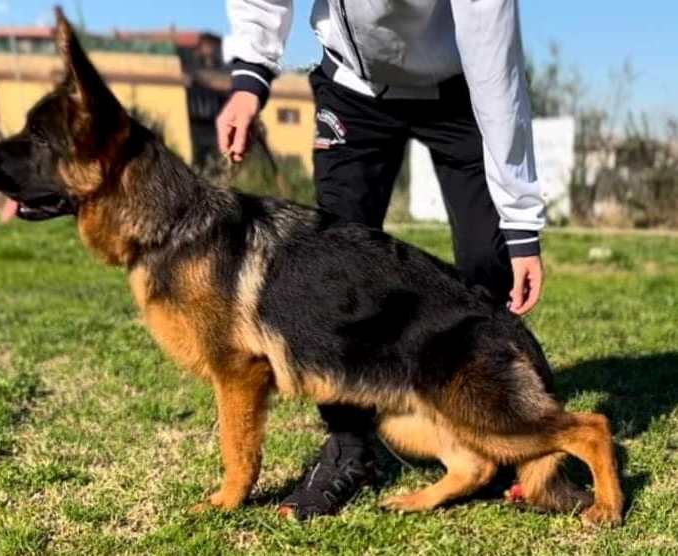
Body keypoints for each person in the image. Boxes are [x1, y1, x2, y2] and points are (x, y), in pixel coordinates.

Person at [216, 0, 545, 520]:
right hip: (354, 88)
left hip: (460, 84)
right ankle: (349, 449)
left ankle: (512, 436)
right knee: (332, 282)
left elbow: (497, 74)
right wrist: (250, 76)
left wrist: (521, 224)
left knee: (487, 263)